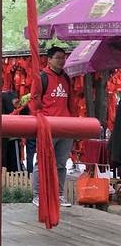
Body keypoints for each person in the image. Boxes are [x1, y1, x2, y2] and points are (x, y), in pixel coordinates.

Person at [29, 45, 77, 208]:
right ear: (49, 60)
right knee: (42, 162)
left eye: (63, 58)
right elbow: (34, 102)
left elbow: (71, 103)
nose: (62, 61)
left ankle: (59, 195)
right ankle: (37, 195)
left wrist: (73, 122)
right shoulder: (41, 77)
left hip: (65, 126)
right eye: (58, 57)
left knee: (61, 164)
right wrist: (39, 121)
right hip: (47, 126)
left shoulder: (66, 78)